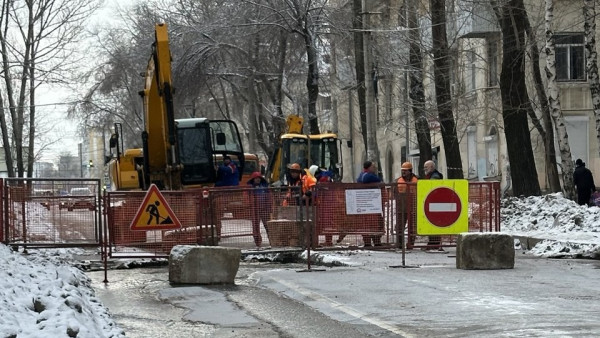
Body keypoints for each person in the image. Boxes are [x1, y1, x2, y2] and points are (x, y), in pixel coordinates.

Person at [357, 161, 383, 247]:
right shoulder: (365, 175)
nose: (374, 168)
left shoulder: (365, 175)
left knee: (376, 223)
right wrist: (378, 180)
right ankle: (368, 242)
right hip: (367, 205)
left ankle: (376, 241)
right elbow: (366, 179)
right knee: (368, 224)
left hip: (373, 204)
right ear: (368, 167)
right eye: (373, 166)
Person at [422, 160, 443, 249]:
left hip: (435, 202)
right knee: (432, 223)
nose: (425, 169)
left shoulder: (435, 176)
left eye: (426, 167)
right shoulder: (431, 175)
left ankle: (434, 243)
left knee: (434, 222)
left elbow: (431, 187)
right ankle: (433, 242)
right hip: (433, 202)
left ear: (432, 167)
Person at [247, 171, 271, 247]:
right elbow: (247, 198)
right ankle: (257, 241)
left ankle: (271, 239)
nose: (257, 180)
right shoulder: (250, 187)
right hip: (255, 210)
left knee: (267, 225)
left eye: (259, 178)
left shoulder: (264, 186)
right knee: (255, 226)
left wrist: (269, 207)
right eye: (256, 178)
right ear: (253, 179)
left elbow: (269, 197)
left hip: (264, 208)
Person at [397, 162, 418, 248]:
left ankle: (411, 244)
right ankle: (399, 244)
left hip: (413, 207)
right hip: (401, 207)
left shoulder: (417, 180)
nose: (403, 172)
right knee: (399, 227)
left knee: (412, 227)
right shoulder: (398, 180)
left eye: (405, 171)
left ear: (410, 171)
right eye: (402, 171)